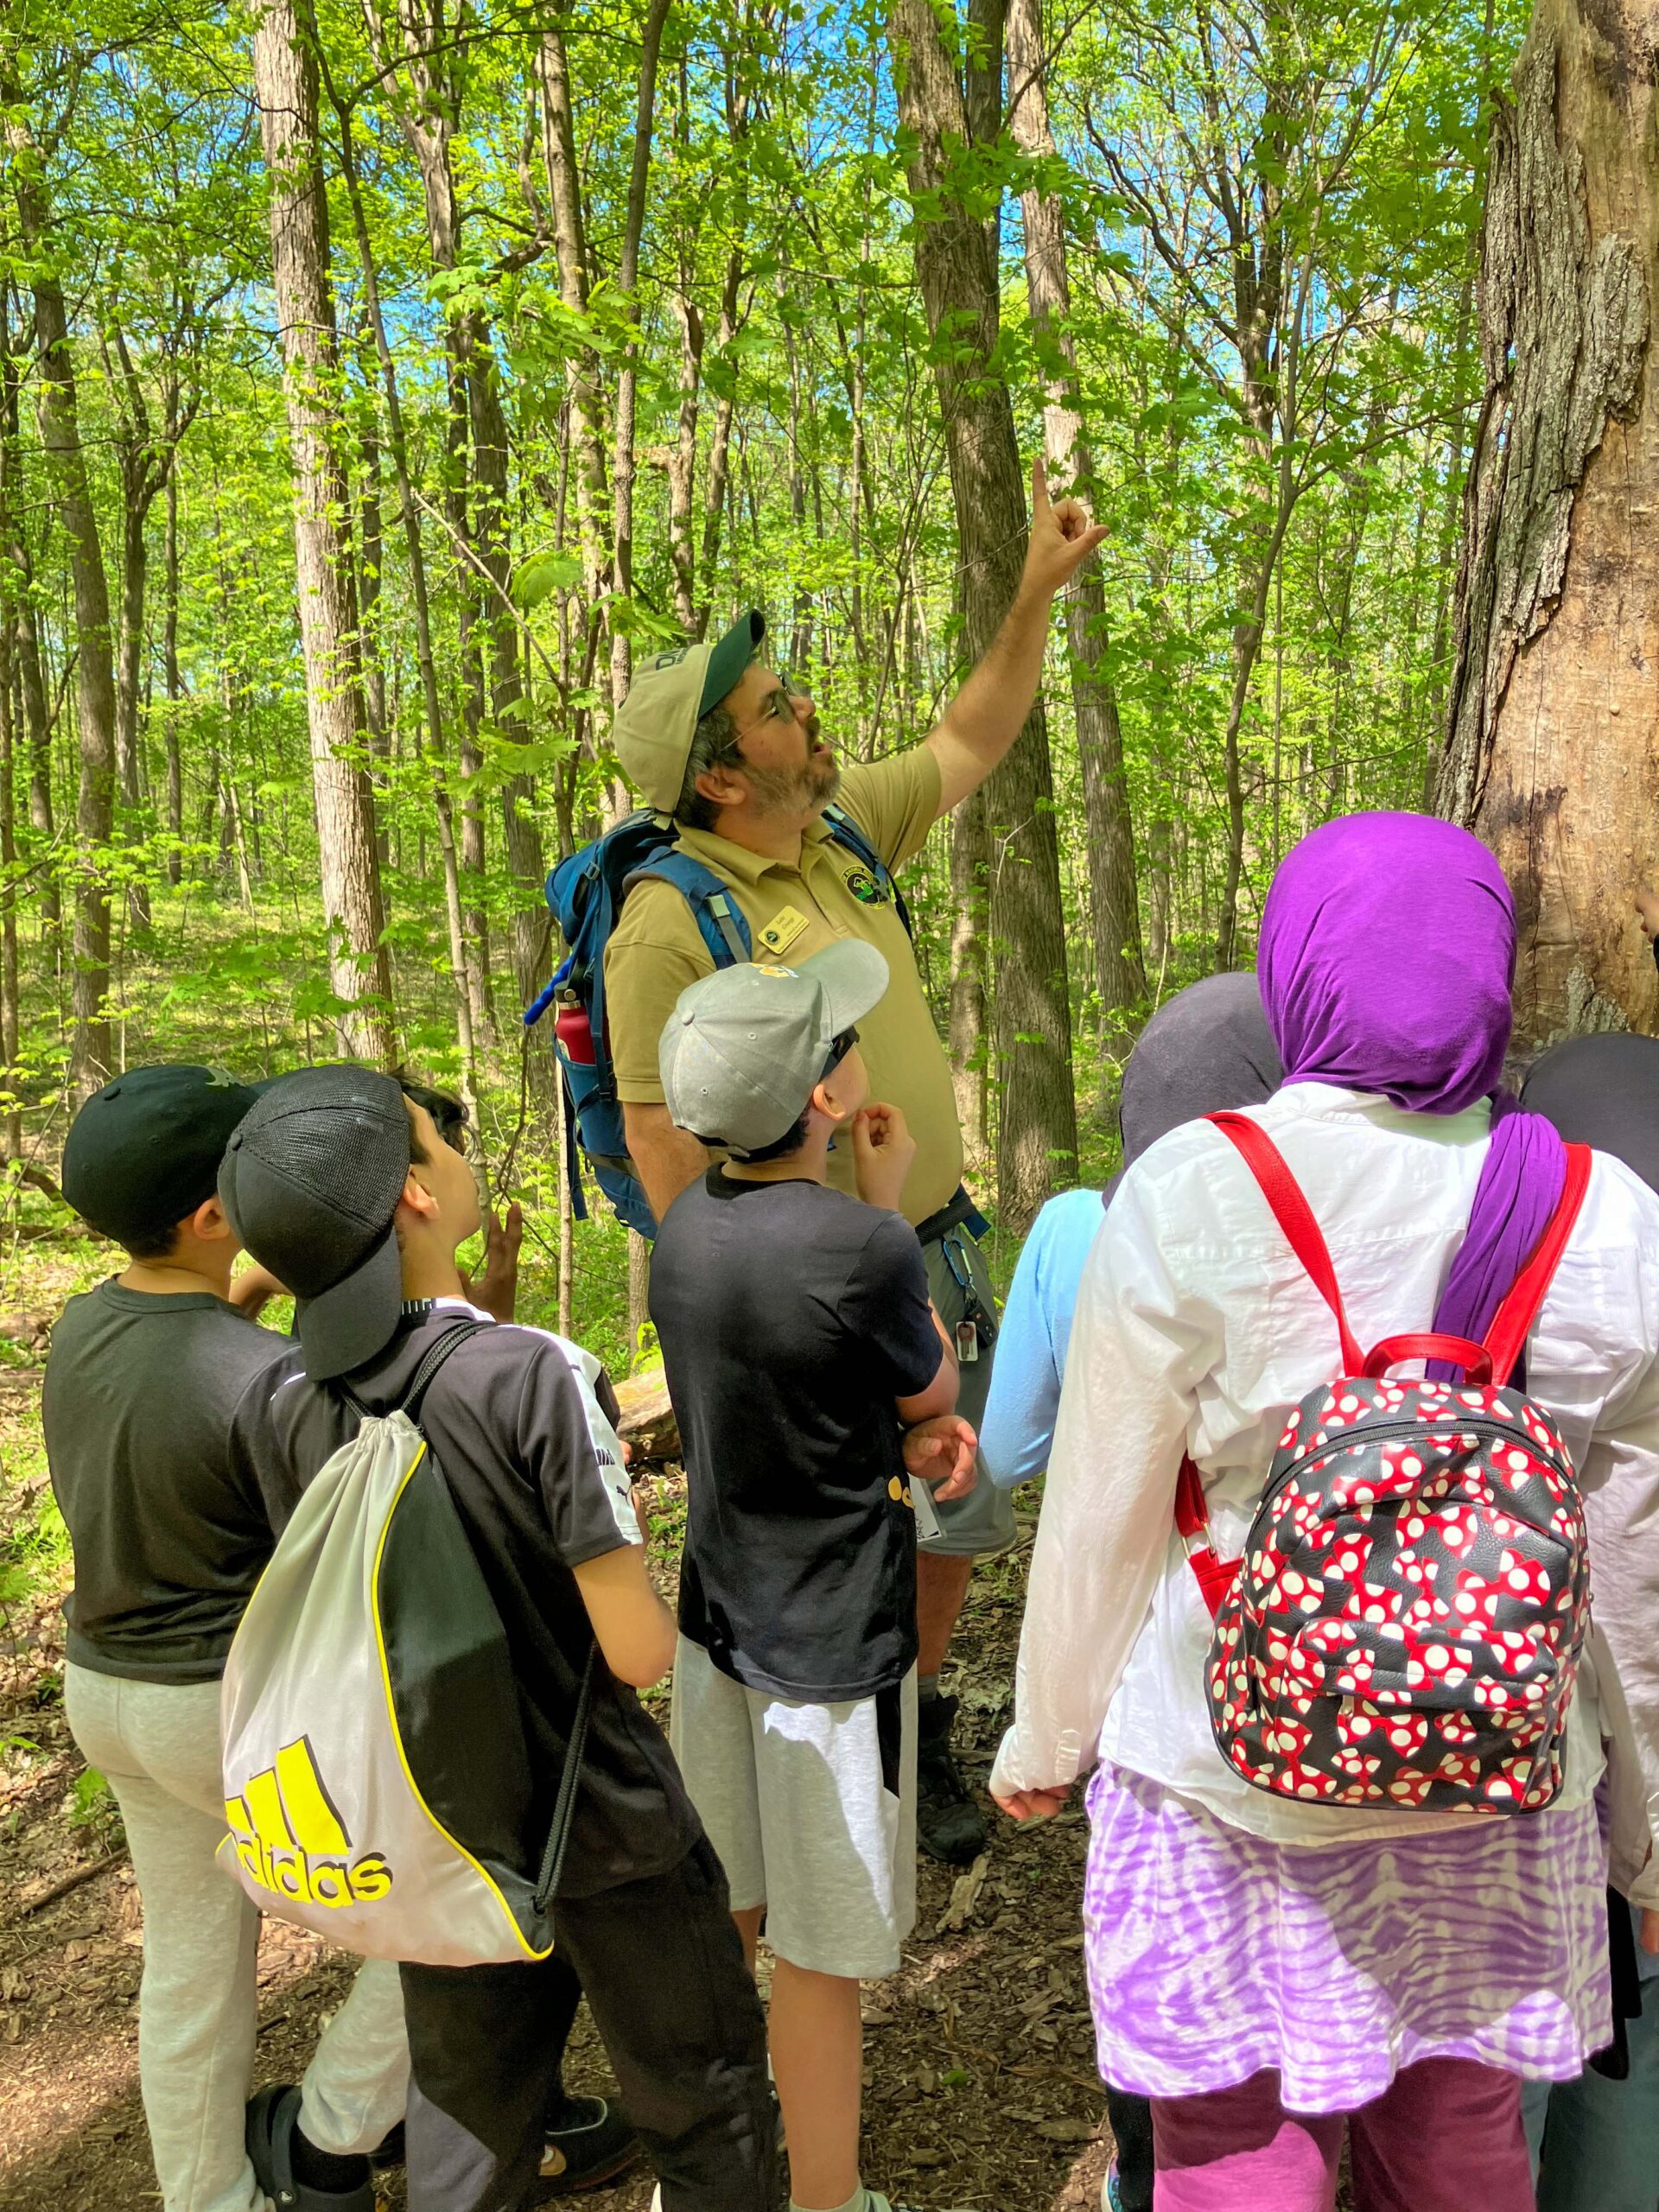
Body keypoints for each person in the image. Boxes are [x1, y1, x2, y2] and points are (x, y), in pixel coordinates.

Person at [990, 812, 1659, 2212]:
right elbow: (1630, 1565)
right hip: (1494, 1777)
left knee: (1235, 2156)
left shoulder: (1195, 1188)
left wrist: (1049, 1736)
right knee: (1463, 2147)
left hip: (1226, 1772)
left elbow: (1103, 1511)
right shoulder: (1602, 1213)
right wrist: (1646, 1840)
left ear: (1297, 969)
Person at [602, 460, 1107, 1864]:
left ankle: (917, 1720)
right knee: (855, 1524)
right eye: (776, 709)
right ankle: (837, 1762)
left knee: (955, 1504)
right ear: (718, 773)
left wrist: (1033, 590)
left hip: (927, 1241)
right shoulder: (664, 923)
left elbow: (969, 737)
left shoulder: (840, 831)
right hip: (808, 1289)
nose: (805, 711)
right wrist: (751, 1315)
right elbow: (656, 1135)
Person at [223, 1065, 778, 2212]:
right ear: (414, 1194)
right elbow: (635, 1653)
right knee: (705, 2097)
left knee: (468, 2120)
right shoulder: (535, 1374)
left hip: (441, 1828)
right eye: (438, 1140)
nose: (458, 1153)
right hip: (607, 1822)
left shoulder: (280, 1402)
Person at [648, 945, 980, 2212]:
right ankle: (827, 2200)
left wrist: (886, 1439)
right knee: (820, 1955)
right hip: (836, 1646)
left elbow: (785, 1397)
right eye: (840, 1041)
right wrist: (884, 1207)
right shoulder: (866, 1248)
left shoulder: (684, 1231)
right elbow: (930, 1384)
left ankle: (707, 2182)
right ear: (827, 1096)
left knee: (731, 1911)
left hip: (718, 1624)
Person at [44, 1065, 408, 2212]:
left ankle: (210, 2198)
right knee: (444, 1902)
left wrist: (235, 1295)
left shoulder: (83, 1325)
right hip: (224, 1711)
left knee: (190, 1969)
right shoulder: (263, 1378)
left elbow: (178, 1380)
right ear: (215, 1213)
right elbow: (351, 1539)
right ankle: (333, 2127)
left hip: (109, 1693)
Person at [978, 973, 1281, 2212]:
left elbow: (1011, 1452)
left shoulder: (1074, 1227)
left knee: (1162, 1955)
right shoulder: (1340, 1223)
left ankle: (1147, 2174)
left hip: (1142, 1673)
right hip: (1335, 1663)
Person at [1517, 1031, 1659, 2211]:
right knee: (1634, 2053)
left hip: (1525, 1787)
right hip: (1621, 1794)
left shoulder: (1513, 1295)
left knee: (1510, 2073)